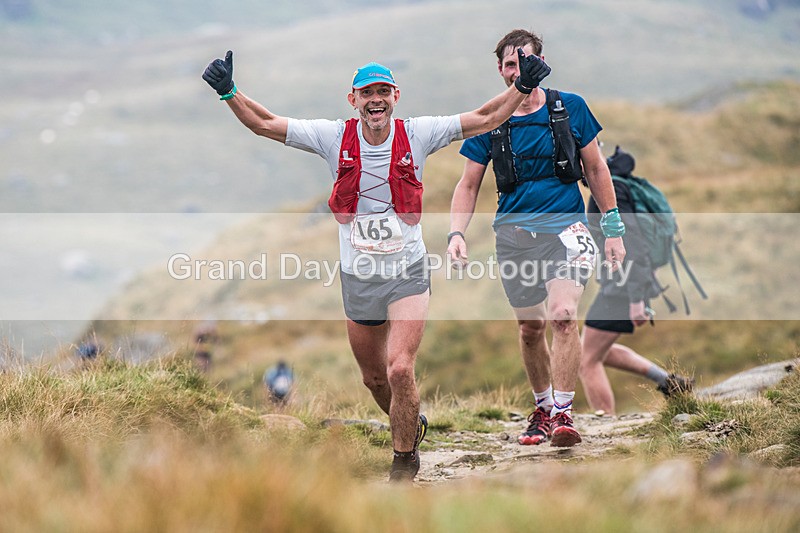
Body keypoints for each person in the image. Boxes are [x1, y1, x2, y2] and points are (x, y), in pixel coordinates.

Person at [202, 48, 551, 481]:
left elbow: (483, 119)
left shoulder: (419, 134)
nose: (376, 100)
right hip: (359, 278)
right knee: (375, 380)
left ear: (396, 95)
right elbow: (265, 124)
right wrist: (228, 91)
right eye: (367, 93)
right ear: (353, 100)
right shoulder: (332, 137)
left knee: (400, 367)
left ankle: (404, 460)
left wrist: (520, 88)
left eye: (383, 91)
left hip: (407, 272)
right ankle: (409, 422)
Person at [447, 29, 626, 448]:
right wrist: (456, 233)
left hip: (568, 230)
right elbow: (468, 184)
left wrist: (614, 230)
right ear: (500, 70)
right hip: (513, 236)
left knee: (564, 315)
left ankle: (564, 413)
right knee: (531, 327)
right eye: (510, 64)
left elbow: (597, 170)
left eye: (525, 61)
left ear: (540, 63)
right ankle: (543, 408)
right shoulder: (489, 118)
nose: (517, 70)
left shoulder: (571, 108)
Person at [580, 146, 694, 415]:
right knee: (597, 350)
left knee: (586, 361)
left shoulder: (611, 191)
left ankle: (605, 424)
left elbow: (634, 244)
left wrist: (636, 299)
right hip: (622, 282)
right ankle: (670, 383)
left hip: (624, 286)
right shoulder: (611, 187)